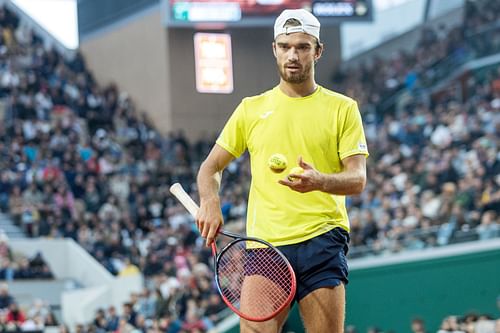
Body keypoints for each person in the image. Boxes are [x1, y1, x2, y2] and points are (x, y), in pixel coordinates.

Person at [196, 8, 368, 333]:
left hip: (322, 240)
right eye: (285, 46)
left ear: (318, 51)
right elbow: (209, 169)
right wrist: (210, 201)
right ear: (274, 48)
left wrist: (320, 181)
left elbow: (357, 179)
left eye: (303, 47)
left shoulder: (343, 109)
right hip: (265, 248)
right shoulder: (251, 109)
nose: (293, 54)